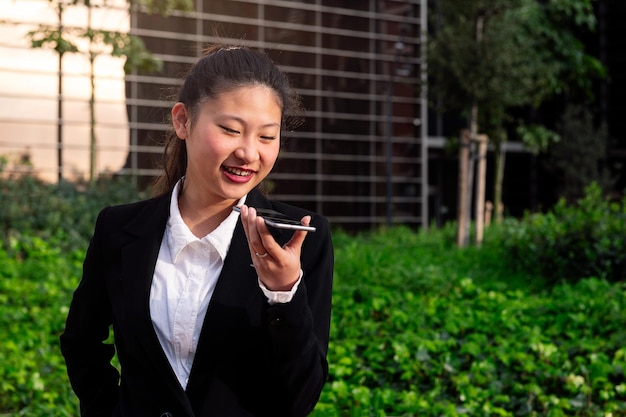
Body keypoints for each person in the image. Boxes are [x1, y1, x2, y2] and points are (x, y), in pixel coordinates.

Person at [60, 45, 334, 417]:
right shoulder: (119, 228)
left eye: (267, 137)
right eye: (231, 130)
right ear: (183, 121)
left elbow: (300, 397)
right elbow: (82, 342)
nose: (249, 153)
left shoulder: (300, 240)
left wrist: (283, 295)